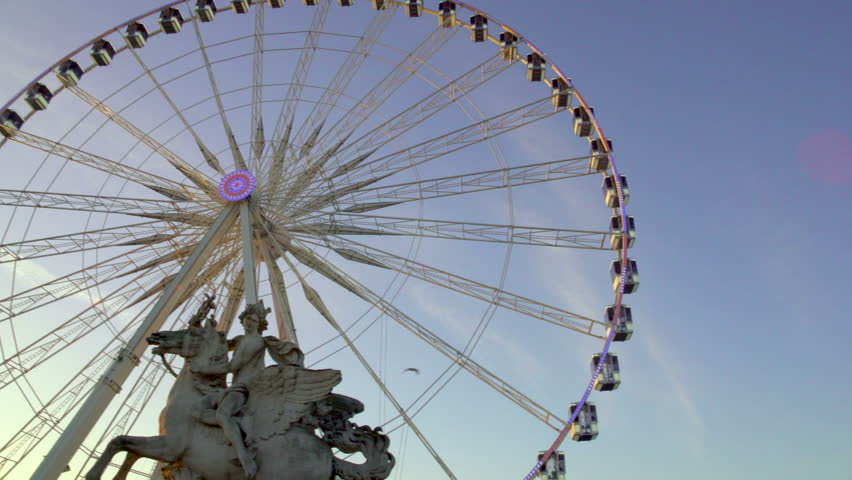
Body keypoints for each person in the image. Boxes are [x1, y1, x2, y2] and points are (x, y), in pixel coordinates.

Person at [192, 301, 269, 479]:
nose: (249, 322)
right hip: (231, 388)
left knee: (222, 414)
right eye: (247, 319)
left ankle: (244, 456)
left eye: (253, 320)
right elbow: (218, 345)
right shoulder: (241, 340)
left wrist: (203, 369)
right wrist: (209, 328)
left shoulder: (255, 342)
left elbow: (233, 366)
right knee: (196, 408)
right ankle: (227, 436)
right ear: (242, 321)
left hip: (245, 388)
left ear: (259, 323)